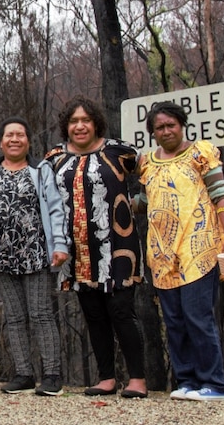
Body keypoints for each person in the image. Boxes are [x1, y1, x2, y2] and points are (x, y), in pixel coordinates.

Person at [44, 98, 147, 398]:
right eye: (74, 121)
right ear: (66, 126)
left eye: (85, 120)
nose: (79, 126)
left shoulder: (118, 151)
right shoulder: (54, 158)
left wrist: (137, 204)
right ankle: (107, 378)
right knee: (94, 314)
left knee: (121, 311)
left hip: (118, 248)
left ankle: (138, 379)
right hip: (77, 252)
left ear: (95, 123)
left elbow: (155, 176)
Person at [138, 101, 224, 402]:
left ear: (181, 124)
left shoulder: (200, 154)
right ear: (152, 132)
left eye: (171, 124)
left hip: (199, 248)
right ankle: (188, 381)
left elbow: (221, 194)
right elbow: (145, 201)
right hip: (162, 254)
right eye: (160, 127)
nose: (166, 130)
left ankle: (216, 384)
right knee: (174, 320)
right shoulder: (148, 163)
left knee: (198, 317)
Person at [0, 117, 69, 397]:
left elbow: (56, 210)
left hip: (34, 255)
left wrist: (60, 244)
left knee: (41, 314)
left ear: (28, 141)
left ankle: (52, 376)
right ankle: (23, 373)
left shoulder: (40, 170)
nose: (14, 139)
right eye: (9, 135)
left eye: (20, 135)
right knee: (14, 317)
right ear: (0, 141)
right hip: (0, 259)